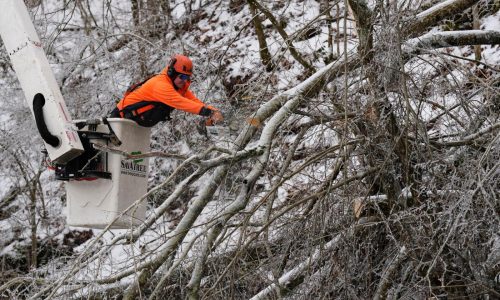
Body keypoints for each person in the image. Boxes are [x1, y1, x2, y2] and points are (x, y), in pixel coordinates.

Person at [110, 54, 223, 127]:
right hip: (120, 119)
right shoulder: (160, 85)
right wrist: (209, 113)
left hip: (136, 124)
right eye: (182, 77)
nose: (185, 81)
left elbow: (194, 102)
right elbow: (180, 102)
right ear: (172, 73)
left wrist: (215, 111)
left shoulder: (179, 87)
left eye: (187, 78)